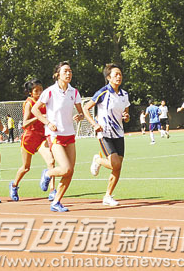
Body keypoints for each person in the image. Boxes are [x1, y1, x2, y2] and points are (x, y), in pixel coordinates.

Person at [32, 62, 84, 212]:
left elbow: (80, 113)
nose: (68, 74)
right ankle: (47, 173)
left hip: (69, 134)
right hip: (54, 134)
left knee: (70, 171)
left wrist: (79, 116)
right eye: (65, 71)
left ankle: (56, 202)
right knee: (65, 168)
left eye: (70, 71)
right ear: (57, 74)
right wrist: (47, 122)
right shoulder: (50, 91)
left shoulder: (74, 92)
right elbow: (35, 110)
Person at [83, 63, 131, 207]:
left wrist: (126, 116)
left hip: (119, 134)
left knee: (118, 166)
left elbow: (127, 116)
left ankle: (108, 196)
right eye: (116, 74)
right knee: (115, 163)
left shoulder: (124, 95)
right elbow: (86, 108)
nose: (119, 77)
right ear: (108, 77)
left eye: (120, 74)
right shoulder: (103, 92)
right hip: (104, 133)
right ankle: (97, 160)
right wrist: (94, 123)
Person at [10, 79, 58, 202]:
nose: (39, 92)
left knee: (51, 161)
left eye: (41, 90)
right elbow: (25, 123)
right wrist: (39, 117)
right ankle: (14, 185)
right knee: (26, 167)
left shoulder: (45, 102)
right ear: (31, 93)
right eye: (36, 91)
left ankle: (53, 190)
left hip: (42, 136)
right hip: (29, 138)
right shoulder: (29, 103)